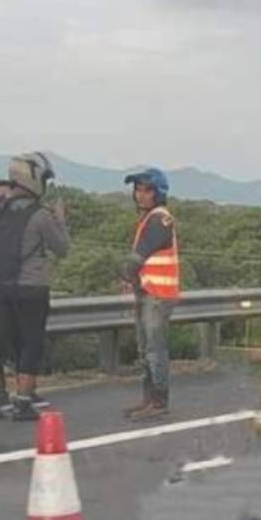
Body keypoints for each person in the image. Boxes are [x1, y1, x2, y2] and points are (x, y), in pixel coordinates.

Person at [0, 153, 69, 421]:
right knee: (31, 344)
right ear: (34, 177)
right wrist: (61, 219)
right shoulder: (40, 215)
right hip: (30, 289)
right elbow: (61, 248)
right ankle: (23, 401)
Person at [120, 168, 181, 420]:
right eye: (137, 189)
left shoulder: (160, 219)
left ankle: (159, 401)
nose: (140, 195)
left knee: (154, 349)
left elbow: (139, 256)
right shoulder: (149, 219)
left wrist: (126, 274)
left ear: (159, 193)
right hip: (147, 291)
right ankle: (149, 399)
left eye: (146, 190)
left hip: (158, 294)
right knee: (146, 349)